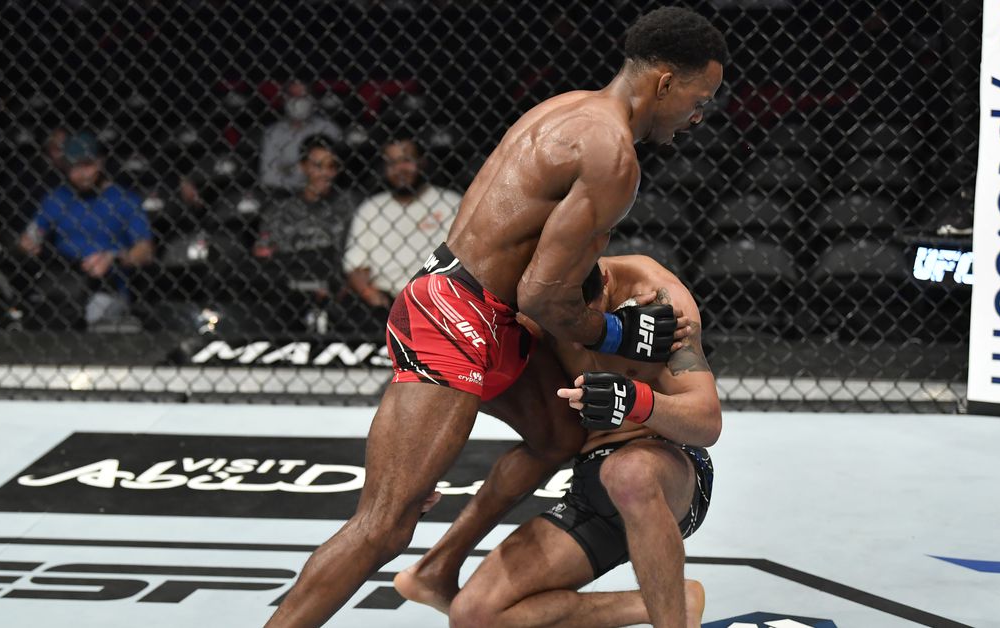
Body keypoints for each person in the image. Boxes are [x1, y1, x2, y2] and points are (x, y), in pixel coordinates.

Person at [265, 8, 726, 626]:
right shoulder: (613, 155)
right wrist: (620, 332)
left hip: (480, 310)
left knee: (559, 437)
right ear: (665, 82)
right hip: (459, 318)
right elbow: (541, 294)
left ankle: (439, 568)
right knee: (384, 525)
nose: (699, 116)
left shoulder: (566, 108)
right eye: (701, 99)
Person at [398, 256, 720, 628]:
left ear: (604, 283)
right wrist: (420, 473)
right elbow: (451, 381)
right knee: (474, 615)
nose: (574, 333)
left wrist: (635, 400)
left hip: (669, 466)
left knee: (628, 473)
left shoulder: (659, 298)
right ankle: (672, 602)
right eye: (561, 324)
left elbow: (707, 423)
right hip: (592, 483)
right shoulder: (532, 307)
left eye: (584, 320)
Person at [18, 132, 154, 328]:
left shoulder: (123, 199)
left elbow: (145, 250)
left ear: (100, 162)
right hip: (64, 282)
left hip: (106, 286)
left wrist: (113, 257)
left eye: (87, 165)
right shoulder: (56, 198)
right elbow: (32, 233)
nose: (81, 174)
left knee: (94, 313)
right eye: (73, 167)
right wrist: (29, 243)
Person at [339, 135, 461, 332]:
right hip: (384, 300)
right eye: (392, 162)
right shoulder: (371, 207)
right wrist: (372, 296)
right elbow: (356, 267)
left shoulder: (450, 202)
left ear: (422, 162)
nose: (400, 169)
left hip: (438, 296)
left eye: (406, 160)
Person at [250, 138, 356, 330]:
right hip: (286, 289)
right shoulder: (279, 210)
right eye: (317, 165)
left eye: (331, 166)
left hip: (337, 286)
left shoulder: (351, 205)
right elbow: (265, 254)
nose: (325, 173)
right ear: (303, 166)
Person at [259, 80, 344, 191]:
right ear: (283, 99)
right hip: (284, 194)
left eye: (304, 96)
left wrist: (290, 171)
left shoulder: (329, 129)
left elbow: (337, 171)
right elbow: (268, 177)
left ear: (313, 98)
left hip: (325, 192)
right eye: (293, 95)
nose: (298, 101)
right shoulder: (273, 133)